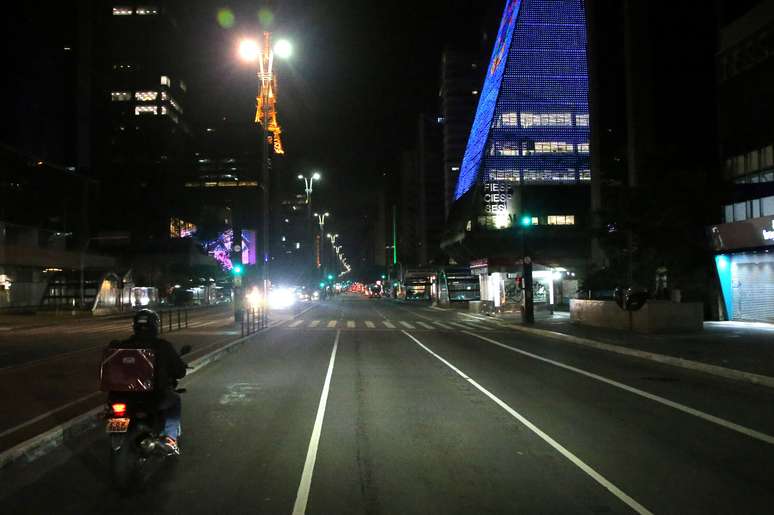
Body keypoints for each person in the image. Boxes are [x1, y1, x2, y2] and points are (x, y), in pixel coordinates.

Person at [109, 309, 187, 455]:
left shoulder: (123, 346)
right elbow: (179, 371)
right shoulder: (163, 346)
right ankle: (170, 439)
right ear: (155, 326)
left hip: (122, 396)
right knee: (175, 401)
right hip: (153, 396)